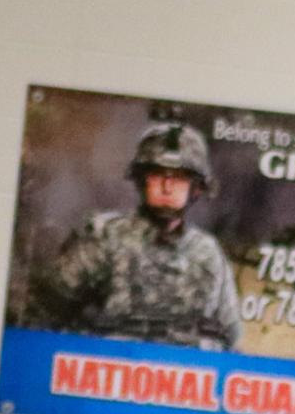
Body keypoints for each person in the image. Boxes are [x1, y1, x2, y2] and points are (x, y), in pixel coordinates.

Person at [43, 120, 242, 350]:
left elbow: (231, 338)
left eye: (178, 178)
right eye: (158, 175)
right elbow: (47, 309)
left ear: (196, 188)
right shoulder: (105, 237)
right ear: (142, 181)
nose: (167, 187)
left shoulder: (208, 253)